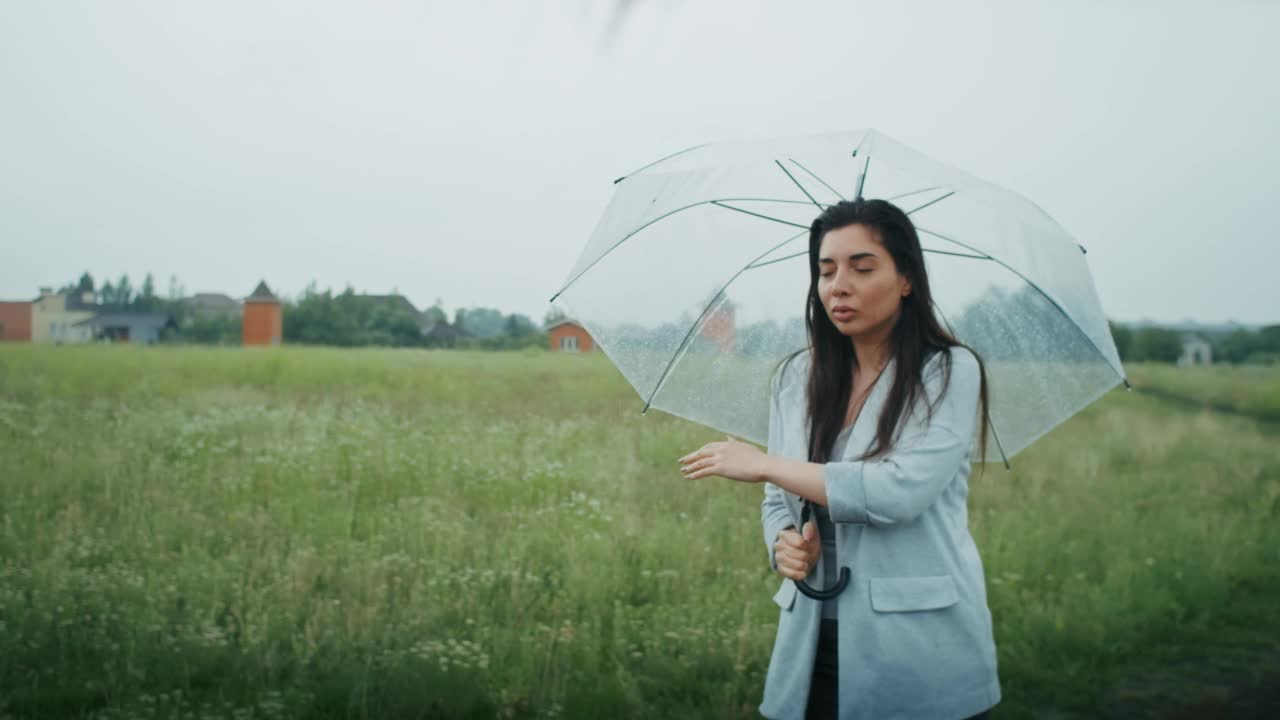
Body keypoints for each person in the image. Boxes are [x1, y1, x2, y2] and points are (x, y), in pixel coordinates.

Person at [677, 198, 1001, 719]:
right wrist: (782, 544)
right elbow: (778, 501)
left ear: (906, 279)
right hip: (812, 640)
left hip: (917, 645)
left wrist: (763, 463)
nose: (838, 285)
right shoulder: (795, 378)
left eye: (862, 267)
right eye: (825, 271)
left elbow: (899, 492)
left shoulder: (947, 371)